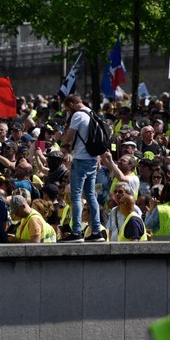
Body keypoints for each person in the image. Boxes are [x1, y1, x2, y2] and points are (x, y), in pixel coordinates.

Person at [59, 94, 104, 242]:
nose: (68, 111)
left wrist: (59, 137)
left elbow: (68, 137)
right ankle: (97, 231)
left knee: (76, 196)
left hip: (81, 159)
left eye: (67, 108)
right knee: (91, 196)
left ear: (71, 104)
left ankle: (76, 232)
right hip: (92, 159)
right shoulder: (91, 113)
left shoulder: (78, 115)